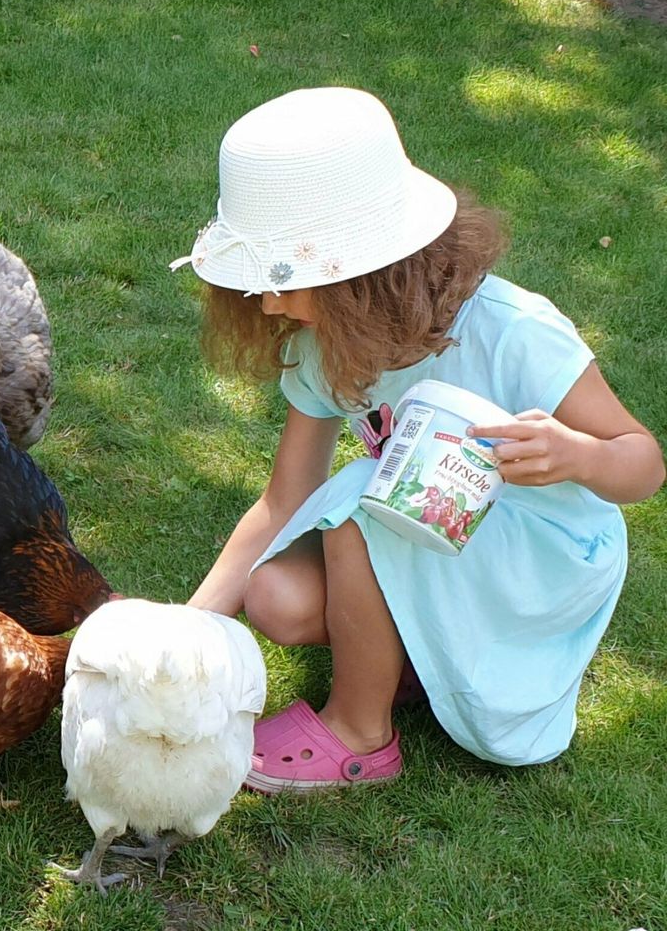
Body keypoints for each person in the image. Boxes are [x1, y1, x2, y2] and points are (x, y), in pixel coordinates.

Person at [171, 87, 665, 794]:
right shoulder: (327, 343)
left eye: (285, 277)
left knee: (362, 512)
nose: (268, 302)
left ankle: (359, 734)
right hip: (426, 529)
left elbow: (643, 464)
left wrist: (578, 453)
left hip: (539, 550)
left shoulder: (514, 331)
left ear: (363, 271)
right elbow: (284, 500)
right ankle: (411, 662)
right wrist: (184, 633)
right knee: (277, 597)